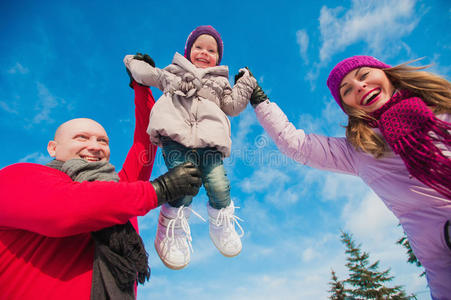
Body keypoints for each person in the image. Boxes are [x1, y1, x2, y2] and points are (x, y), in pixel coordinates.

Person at [249, 55, 451, 300]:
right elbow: (296, 144)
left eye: (364, 75)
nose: (359, 86)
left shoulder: (442, 104)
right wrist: (260, 100)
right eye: (347, 90)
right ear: (348, 107)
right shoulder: (358, 151)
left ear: (386, 73)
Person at [0, 80, 202, 300]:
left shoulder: (118, 191)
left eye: (103, 141)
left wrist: (141, 86)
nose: (95, 146)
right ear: (53, 147)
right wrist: (160, 189)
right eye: (82, 138)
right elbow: (63, 210)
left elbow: (145, 141)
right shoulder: (18, 175)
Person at [124, 25, 256, 270]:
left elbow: (234, 107)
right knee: (184, 184)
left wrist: (245, 83)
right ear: (188, 51)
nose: (204, 53)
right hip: (176, 136)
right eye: (199, 47)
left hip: (210, 141)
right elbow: (148, 74)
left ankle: (221, 223)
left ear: (218, 58)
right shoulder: (173, 72)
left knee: (218, 183)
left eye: (211, 50)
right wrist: (133, 62)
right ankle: (170, 226)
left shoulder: (221, 83)